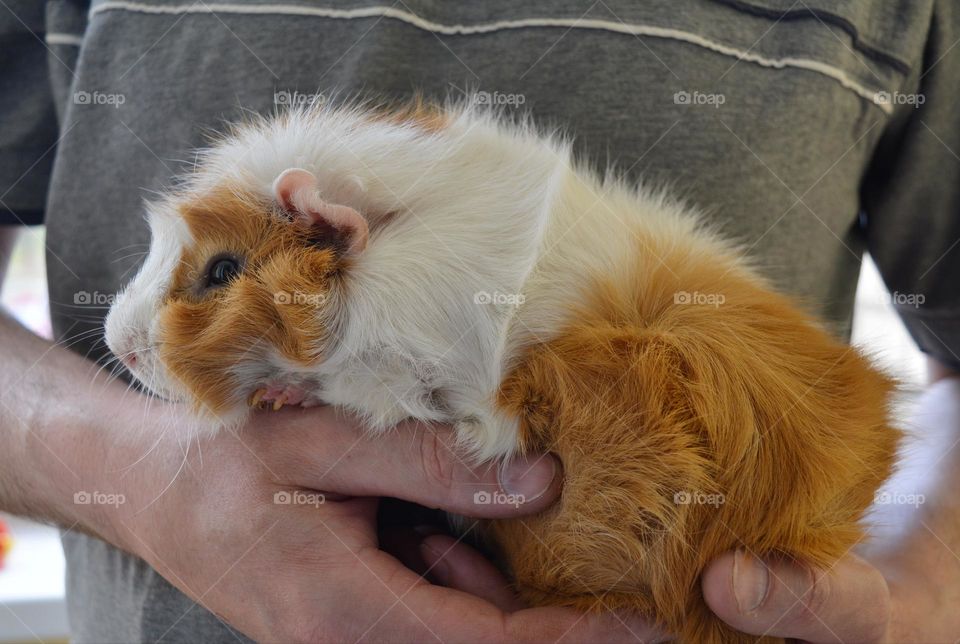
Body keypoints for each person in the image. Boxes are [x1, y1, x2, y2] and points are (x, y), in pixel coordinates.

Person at [2, 0, 958, 641]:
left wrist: (917, 599)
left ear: (334, 232)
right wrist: (136, 480)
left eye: (212, 274)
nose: (135, 336)